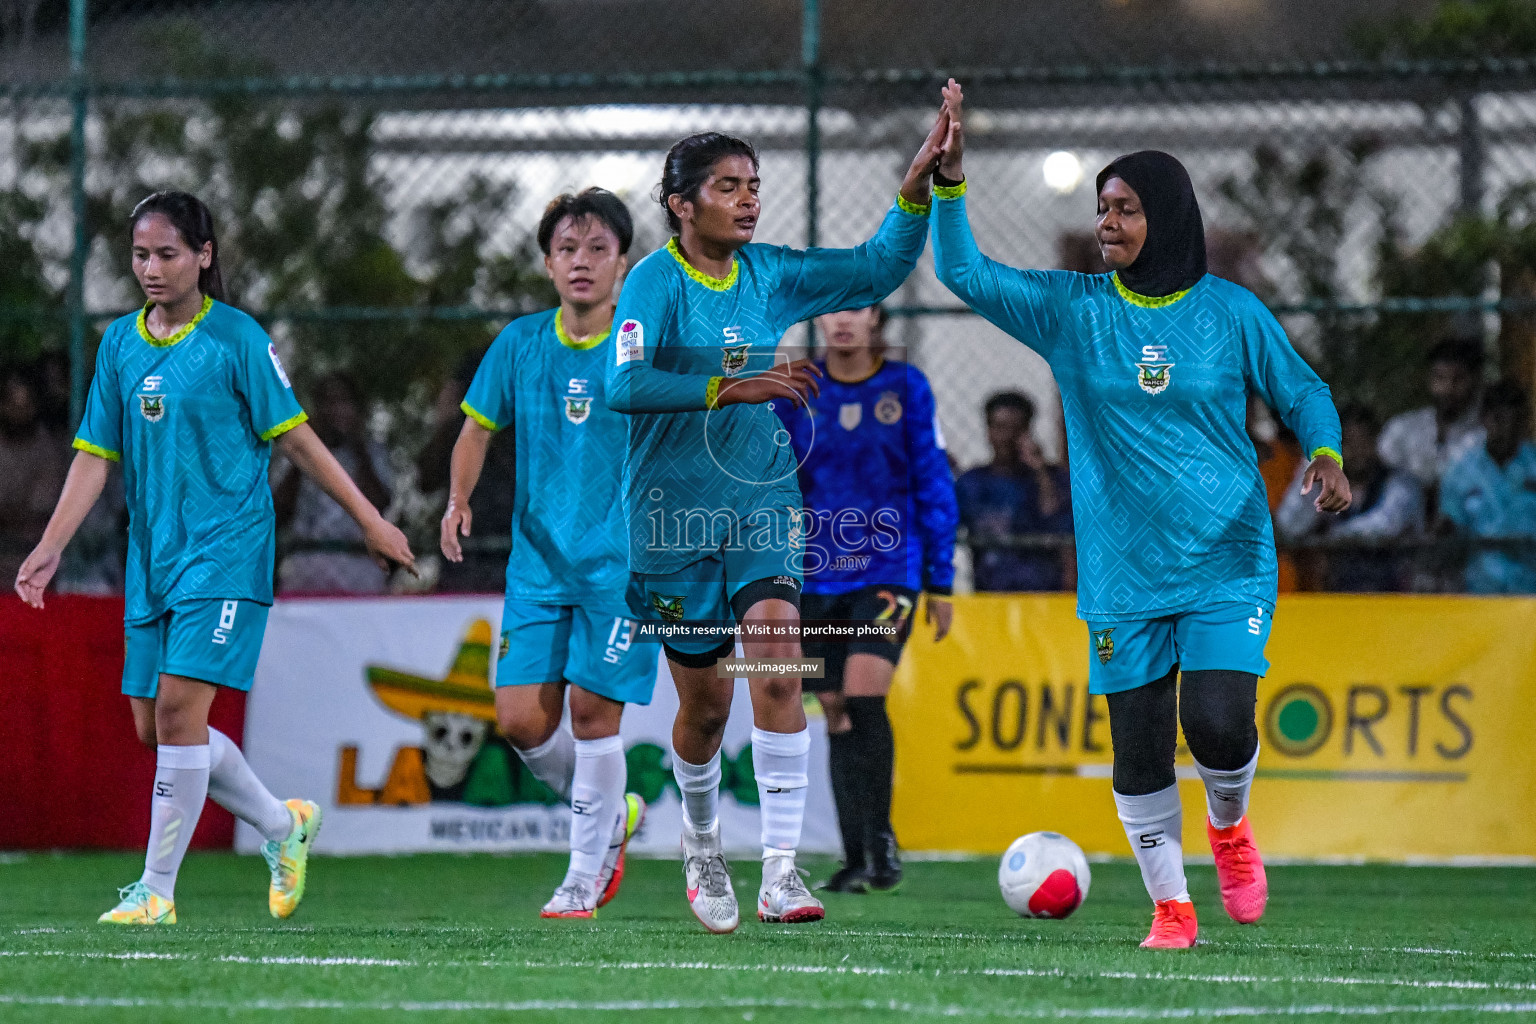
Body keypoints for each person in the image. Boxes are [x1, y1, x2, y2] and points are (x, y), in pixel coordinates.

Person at [929, 81, 1350, 949]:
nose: (1108, 223)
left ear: (1168, 213)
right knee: (1141, 747)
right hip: (1124, 570)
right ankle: (1171, 906)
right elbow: (962, 271)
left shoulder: (1230, 313)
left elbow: (1303, 390)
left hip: (1227, 554)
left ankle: (1229, 830)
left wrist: (1326, 452)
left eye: (1124, 207)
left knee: (1221, 722)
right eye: (1100, 209)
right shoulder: (1072, 310)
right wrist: (950, 185)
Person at [14, 191, 416, 925]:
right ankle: (282, 825)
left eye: (168, 253)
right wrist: (50, 546)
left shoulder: (236, 338)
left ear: (204, 256)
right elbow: (93, 456)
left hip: (227, 554)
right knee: (155, 728)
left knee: (177, 711)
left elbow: (296, 439)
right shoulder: (120, 344)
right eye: (141, 255)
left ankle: (157, 892)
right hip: (153, 560)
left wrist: (369, 520)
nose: (152, 268)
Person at [603, 122, 945, 933]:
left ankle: (782, 875)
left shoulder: (774, 273)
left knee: (780, 663)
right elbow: (623, 383)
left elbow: (877, 266)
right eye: (729, 187)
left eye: (754, 185)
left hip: (760, 503)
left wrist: (917, 187)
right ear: (682, 205)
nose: (749, 199)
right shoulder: (654, 280)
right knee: (707, 712)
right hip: (671, 521)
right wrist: (735, 387)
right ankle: (701, 842)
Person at [441, 188, 656, 918]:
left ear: (625, 263)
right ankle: (609, 818)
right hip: (537, 566)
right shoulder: (520, 343)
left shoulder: (644, 341)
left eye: (598, 249)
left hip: (624, 566)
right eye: (568, 250)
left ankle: (581, 874)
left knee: (596, 712)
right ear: (547, 263)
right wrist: (458, 499)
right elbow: (475, 429)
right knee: (521, 722)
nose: (583, 263)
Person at [776, 304, 958, 894]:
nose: (843, 320)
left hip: (888, 570)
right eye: (832, 309)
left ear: (877, 317)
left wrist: (941, 577)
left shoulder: (906, 386)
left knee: (863, 693)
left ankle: (880, 844)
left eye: (857, 307)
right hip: (814, 575)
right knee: (834, 709)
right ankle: (855, 857)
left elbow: (931, 477)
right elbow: (776, 478)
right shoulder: (799, 388)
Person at [1277, 403, 1422, 592]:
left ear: (1375, 441)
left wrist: (1330, 537)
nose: (1356, 450)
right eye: (1347, 443)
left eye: (1362, 440)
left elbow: (1385, 524)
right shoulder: (1327, 484)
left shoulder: (1401, 484)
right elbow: (1289, 525)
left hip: (1396, 598)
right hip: (1339, 598)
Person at [274, 372, 395, 594]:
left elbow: (381, 503)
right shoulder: (295, 451)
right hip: (307, 561)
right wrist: (306, 450)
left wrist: (357, 447)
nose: (336, 410)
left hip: (359, 561)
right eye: (328, 402)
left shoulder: (373, 451)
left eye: (344, 402)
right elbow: (278, 510)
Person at [417, 350, 517, 592]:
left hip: (513, 555)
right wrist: (445, 419)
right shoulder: (456, 433)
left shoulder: (523, 432)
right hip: (462, 559)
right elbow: (426, 481)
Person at [954, 391, 1073, 591]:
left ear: (1027, 431)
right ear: (989, 431)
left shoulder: (1052, 479)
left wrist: (1040, 472)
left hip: (1044, 597)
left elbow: (1057, 522)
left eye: (1015, 429)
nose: (1006, 437)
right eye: (1000, 428)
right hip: (990, 596)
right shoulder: (972, 484)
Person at [1440, 379, 1536, 594]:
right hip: (1479, 594)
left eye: (1516, 421)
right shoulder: (1460, 473)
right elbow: (1448, 533)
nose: (1507, 429)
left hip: (1530, 592)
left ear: (1525, 422)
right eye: (1499, 419)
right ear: (1484, 419)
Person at [1378, 338, 1485, 493]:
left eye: (1458, 379)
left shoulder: (1483, 434)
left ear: (1474, 381)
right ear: (1430, 380)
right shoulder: (1402, 428)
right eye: (1440, 378)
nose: (1448, 388)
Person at [0, 364, 69, 588]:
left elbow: (40, 516)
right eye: (12, 404)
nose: (18, 412)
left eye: (25, 405)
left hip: (32, 562)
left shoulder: (48, 451)